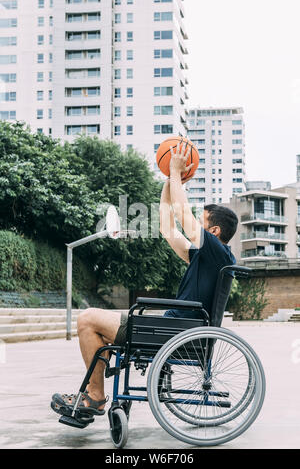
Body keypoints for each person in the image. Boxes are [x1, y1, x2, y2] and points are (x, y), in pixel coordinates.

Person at [51, 142, 238, 419]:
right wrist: (168, 181)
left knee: (87, 319)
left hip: (172, 331)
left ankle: (95, 397)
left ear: (214, 230)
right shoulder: (207, 257)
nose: (197, 225)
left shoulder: (217, 252)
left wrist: (176, 173)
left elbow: (183, 217)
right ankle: (94, 395)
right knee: (95, 330)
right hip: (175, 328)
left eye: (202, 222)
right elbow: (167, 228)